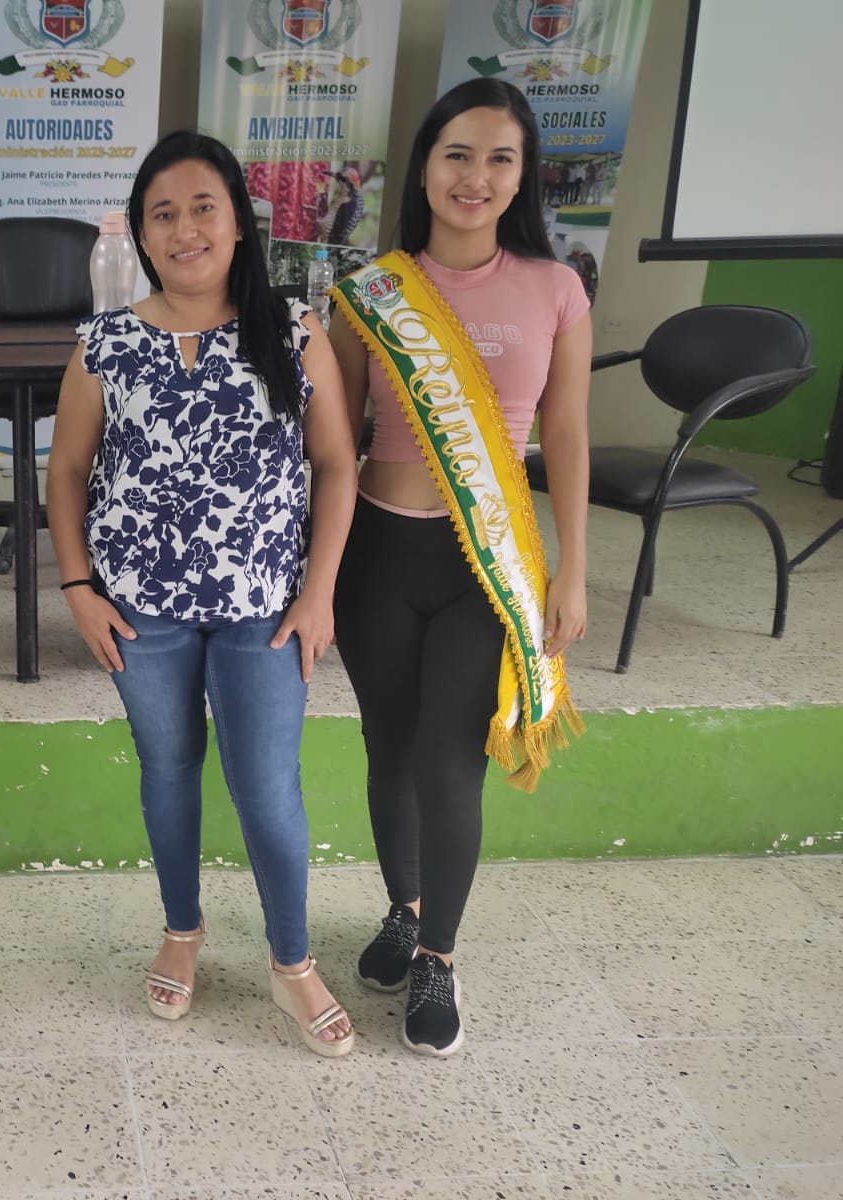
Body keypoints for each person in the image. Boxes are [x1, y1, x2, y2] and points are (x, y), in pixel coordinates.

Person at [47, 130, 359, 1055]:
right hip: (138, 608)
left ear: (238, 222)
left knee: (267, 788)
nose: (184, 230)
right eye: (163, 214)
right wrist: (77, 586)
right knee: (169, 768)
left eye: (202, 208)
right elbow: (66, 472)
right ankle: (182, 930)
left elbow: (337, 466)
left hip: (265, 606)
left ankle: (292, 960)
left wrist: (318, 594)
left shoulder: (294, 333)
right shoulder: (105, 344)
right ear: (141, 233)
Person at [327, 77, 591, 1057]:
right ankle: (404, 909)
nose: (475, 176)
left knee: (450, 764)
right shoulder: (369, 292)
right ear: (425, 167)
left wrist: (572, 570)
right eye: (457, 154)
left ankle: (438, 956)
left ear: (522, 177)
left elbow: (567, 435)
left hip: (486, 564)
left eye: (499, 158)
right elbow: (332, 448)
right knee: (388, 752)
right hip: (377, 556)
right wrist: (313, 576)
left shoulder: (555, 289)